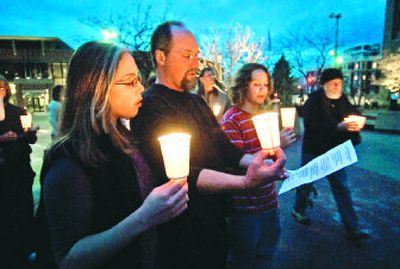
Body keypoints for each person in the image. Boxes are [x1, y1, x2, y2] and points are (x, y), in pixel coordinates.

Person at [131, 21, 287, 269]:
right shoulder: (151, 107)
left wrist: (261, 160)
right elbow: (183, 173)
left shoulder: (196, 102)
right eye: (187, 55)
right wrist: (244, 182)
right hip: (182, 231)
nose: (196, 63)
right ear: (161, 56)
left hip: (216, 221)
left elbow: (224, 148)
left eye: (197, 55)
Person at [35, 41, 189, 269]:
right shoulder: (69, 161)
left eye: (139, 79)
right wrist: (144, 217)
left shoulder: (124, 139)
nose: (141, 89)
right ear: (96, 88)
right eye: (130, 82)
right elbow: (68, 259)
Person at [221, 63, 296, 269]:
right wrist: (277, 144)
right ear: (244, 86)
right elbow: (236, 164)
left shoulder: (265, 117)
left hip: (270, 203)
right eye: (256, 84)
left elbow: (270, 158)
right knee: (243, 261)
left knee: (265, 259)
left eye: (265, 84)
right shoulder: (231, 120)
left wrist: (280, 152)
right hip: (245, 210)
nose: (263, 89)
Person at [292, 68, 369, 240]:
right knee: (305, 183)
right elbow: (312, 126)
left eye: (340, 83)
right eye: (334, 83)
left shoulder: (343, 99)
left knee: (341, 187)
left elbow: (353, 113)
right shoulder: (313, 101)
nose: (337, 86)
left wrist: (357, 121)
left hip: (335, 152)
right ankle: (298, 209)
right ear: (325, 84)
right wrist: (337, 127)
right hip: (314, 150)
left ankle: (352, 227)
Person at [0, 75, 37, 268]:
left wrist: (30, 134)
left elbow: (29, 139)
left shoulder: (17, 111)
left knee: (24, 208)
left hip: (20, 169)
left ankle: (27, 247)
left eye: (1, 88)